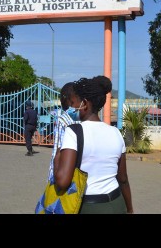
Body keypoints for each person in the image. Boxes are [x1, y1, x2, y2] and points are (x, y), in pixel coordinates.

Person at [54, 75, 134, 214]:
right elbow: (123, 179)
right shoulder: (115, 132)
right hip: (116, 202)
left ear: (84, 103)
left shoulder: (74, 132)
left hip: (89, 206)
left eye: (73, 103)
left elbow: (62, 181)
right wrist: (130, 209)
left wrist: (58, 156)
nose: (71, 108)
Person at [47, 82, 80, 181]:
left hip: (66, 171)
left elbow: (58, 151)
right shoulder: (84, 118)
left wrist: (51, 177)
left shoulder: (63, 120)